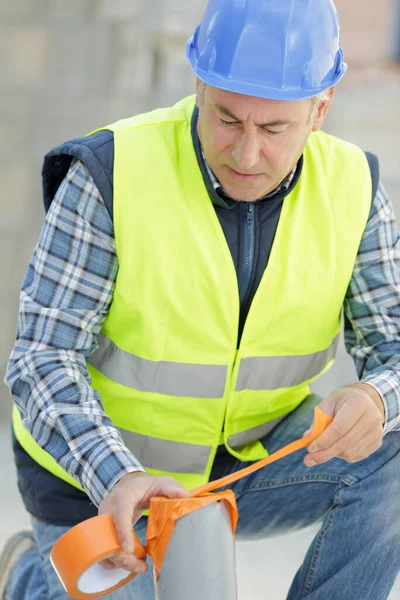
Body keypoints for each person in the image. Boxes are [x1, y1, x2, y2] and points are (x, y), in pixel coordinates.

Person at [1, 0, 400, 598]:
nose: (245, 155)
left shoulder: (355, 189)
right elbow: (40, 357)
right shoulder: (111, 173)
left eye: (272, 130)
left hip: (248, 461)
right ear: (198, 82)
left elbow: (394, 343)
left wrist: (378, 395)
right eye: (226, 119)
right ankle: (33, 577)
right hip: (103, 476)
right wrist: (119, 476)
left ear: (321, 108)